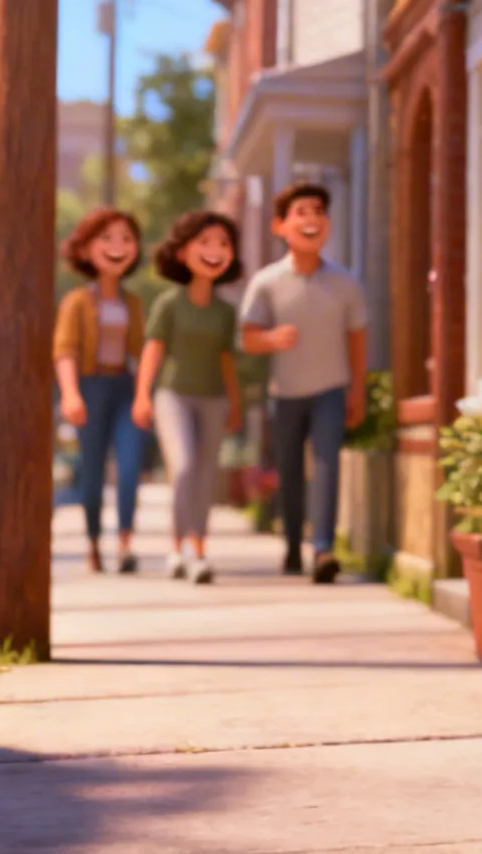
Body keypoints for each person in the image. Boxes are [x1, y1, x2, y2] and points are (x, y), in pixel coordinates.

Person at [240, 183, 368, 583]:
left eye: (319, 211)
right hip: (285, 395)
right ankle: (294, 544)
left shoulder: (346, 284)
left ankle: (323, 548)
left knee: (328, 465)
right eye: (301, 212)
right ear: (281, 225)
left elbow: (358, 339)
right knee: (291, 473)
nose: (311, 219)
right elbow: (246, 337)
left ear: (327, 224)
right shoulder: (266, 281)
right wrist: (272, 339)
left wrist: (358, 389)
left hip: (331, 390)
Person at [134, 211, 244, 584]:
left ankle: (196, 548)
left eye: (223, 244)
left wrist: (235, 401)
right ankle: (183, 546)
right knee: (183, 468)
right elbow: (153, 350)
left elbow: (227, 359)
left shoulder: (226, 311)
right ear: (182, 253)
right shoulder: (169, 304)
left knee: (206, 474)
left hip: (213, 397)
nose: (215, 250)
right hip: (172, 396)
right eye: (205, 242)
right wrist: (142, 397)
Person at [53, 208, 146, 574]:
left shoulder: (133, 302)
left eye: (126, 239)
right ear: (87, 248)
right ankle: (93, 542)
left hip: (124, 386)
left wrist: (145, 393)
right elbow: (64, 350)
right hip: (90, 388)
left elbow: (143, 351)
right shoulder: (77, 301)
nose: (117, 247)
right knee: (91, 472)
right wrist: (71, 394)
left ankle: (125, 543)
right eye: (107, 239)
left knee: (130, 464)